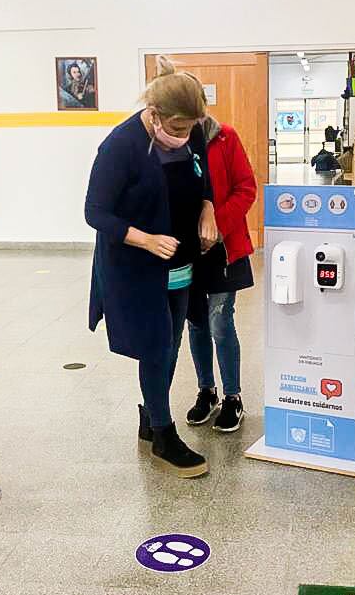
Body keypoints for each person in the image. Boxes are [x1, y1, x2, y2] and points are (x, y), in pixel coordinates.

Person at [85, 56, 217, 477]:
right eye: (176, 128)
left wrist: (208, 208)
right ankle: (163, 433)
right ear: (154, 114)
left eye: (189, 128)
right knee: (156, 345)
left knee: (171, 341)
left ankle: (150, 416)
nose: (183, 136)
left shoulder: (192, 133)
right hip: (137, 265)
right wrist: (145, 239)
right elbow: (96, 213)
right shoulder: (120, 146)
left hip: (180, 261)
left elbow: (204, 175)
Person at [186, 116, 256, 432]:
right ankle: (207, 391)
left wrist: (216, 227)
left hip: (224, 248)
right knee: (196, 323)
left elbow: (246, 188)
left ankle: (232, 396)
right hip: (188, 251)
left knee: (220, 322)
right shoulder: (174, 140)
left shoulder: (226, 137)